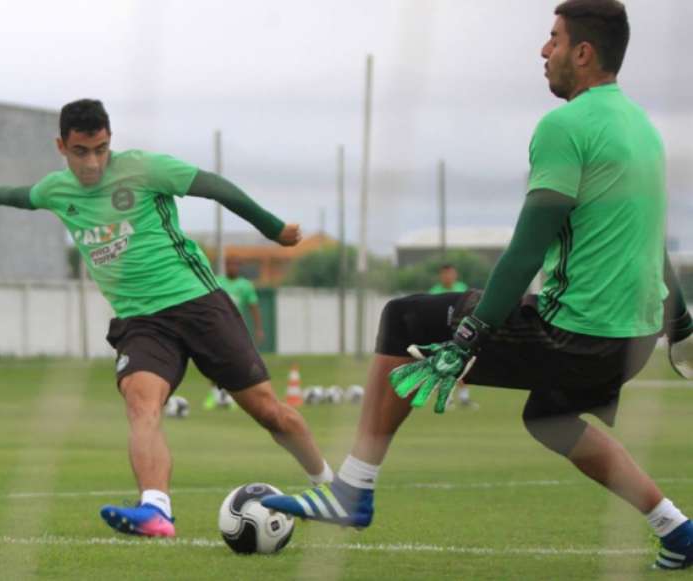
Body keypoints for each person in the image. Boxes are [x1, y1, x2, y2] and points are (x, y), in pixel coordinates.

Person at [263, 0, 693, 570]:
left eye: (555, 39)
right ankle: (679, 530)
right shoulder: (641, 128)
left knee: (404, 318)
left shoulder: (566, 126)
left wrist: (470, 333)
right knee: (551, 420)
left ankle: (352, 489)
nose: (544, 51)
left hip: (578, 336)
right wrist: (682, 323)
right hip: (634, 340)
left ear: (584, 53)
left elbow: (524, 249)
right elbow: (648, 240)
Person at [0, 99, 334, 538]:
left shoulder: (145, 168)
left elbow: (214, 187)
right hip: (141, 322)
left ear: (110, 139)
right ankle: (156, 508)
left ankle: (328, 488)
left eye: (100, 148)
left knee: (270, 412)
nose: (93, 161)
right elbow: (21, 196)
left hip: (198, 303)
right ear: (61, 146)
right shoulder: (56, 189)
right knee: (141, 402)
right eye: (81, 151)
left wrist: (272, 229)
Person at [204, 256, 265, 410]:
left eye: (235, 265)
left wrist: (258, 328)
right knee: (214, 362)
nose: (232, 267)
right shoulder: (217, 281)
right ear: (226, 266)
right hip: (218, 328)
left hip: (236, 329)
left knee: (238, 363)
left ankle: (234, 398)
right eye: (230, 264)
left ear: (239, 266)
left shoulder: (245, 285)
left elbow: (253, 307)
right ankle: (214, 395)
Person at [428, 264, 476, 409]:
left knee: (463, 364)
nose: (448, 276)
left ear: (455, 275)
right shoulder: (435, 292)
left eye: (451, 273)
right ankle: (445, 398)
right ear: (441, 276)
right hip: (442, 332)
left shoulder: (462, 289)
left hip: (460, 333)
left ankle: (464, 398)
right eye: (445, 274)